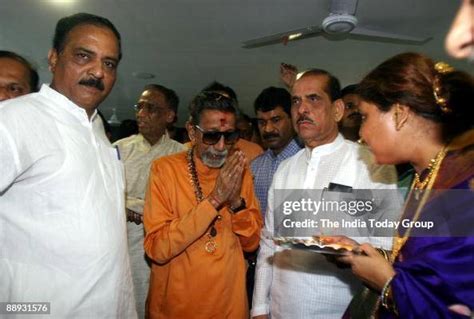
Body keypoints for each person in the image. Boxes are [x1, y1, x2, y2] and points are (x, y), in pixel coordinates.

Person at [0, 13, 136, 318]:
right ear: (53, 58)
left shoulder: (99, 132)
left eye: (109, 63)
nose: (98, 71)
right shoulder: (13, 120)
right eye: (83, 56)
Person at [329, 52, 474, 318]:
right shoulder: (427, 175)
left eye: (365, 117)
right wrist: (360, 254)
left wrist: (388, 285)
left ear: (400, 114)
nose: (360, 135)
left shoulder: (462, 189)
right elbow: (426, 269)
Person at [251, 69, 398, 319]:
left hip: (340, 310)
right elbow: (268, 243)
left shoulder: (371, 164)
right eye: (296, 101)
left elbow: (388, 245)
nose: (302, 109)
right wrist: (259, 308)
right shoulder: (286, 169)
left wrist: (346, 246)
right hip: (280, 309)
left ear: (338, 110)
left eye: (313, 99)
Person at [143, 91, 263, 318]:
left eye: (229, 136)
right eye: (211, 136)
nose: (220, 146)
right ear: (191, 131)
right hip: (176, 305)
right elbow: (157, 248)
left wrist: (236, 202)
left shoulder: (239, 171)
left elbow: (252, 243)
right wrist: (215, 200)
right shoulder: (165, 170)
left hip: (228, 304)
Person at [114, 84, 185, 318]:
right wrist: (128, 207)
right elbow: (105, 196)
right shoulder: (118, 150)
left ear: (169, 116)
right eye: (139, 107)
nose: (141, 114)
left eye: (150, 108)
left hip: (164, 248)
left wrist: (139, 208)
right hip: (121, 244)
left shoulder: (182, 155)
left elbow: (182, 206)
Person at [251, 86, 301, 215]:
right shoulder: (254, 167)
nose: (268, 129)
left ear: (292, 118)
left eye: (276, 120)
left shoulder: (307, 161)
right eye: (262, 122)